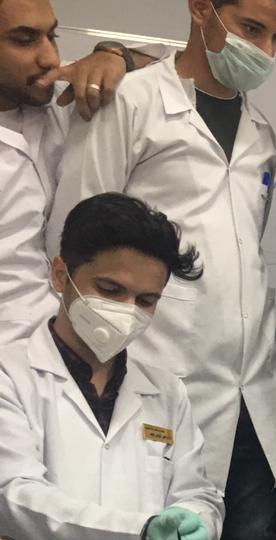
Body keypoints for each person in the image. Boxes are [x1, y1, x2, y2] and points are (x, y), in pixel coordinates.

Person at [47, 0, 276, 540]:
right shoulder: (133, 101)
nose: (264, 49)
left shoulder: (262, 133)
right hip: (154, 380)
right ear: (201, 9)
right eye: (251, 29)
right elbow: (77, 229)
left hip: (252, 388)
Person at [0, 192, 229, 540]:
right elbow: (16, 496)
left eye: (146, 300)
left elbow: (198, 490)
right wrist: (142, 539)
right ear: (61, 274)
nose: (127, 311)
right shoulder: (11, 375)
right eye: (110, 290)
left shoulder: (165, 391)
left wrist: (195, 525)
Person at [0, 0, 158, 345]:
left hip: (65, 348)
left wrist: (113, 54)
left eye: (52, 36)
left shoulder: (56, 98)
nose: (50, 58)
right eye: (25, 40)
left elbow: (165, 69)